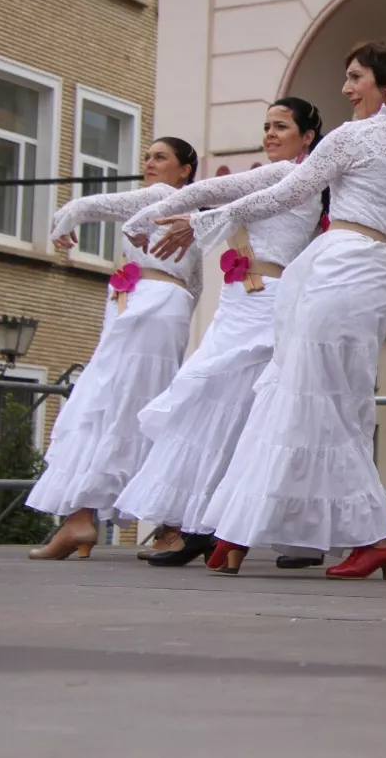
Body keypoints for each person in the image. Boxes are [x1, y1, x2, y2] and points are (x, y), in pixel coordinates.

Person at [151, 41, 386, 580]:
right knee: (321, 394)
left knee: (312, 394)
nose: (345, 88)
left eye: (355, 77)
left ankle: (374, 535)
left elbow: (286, 194)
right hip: (379, 273)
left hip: (338, 269)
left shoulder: (352, 136)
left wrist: (200, 222)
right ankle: (239, 529)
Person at [113, 99, 328, 567]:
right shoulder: (277, 177)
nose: (270, 133)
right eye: (266, 126)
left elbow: (217, 189)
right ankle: (209, 524)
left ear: (307, 136)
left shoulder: (290, 175)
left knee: (229, 404)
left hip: (266, 300)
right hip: (239, 301)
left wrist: (143, 219)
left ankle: (206, 528)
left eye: (281, 126)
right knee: (225, 404)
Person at [24, 138, 202, 560]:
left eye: (161, 157)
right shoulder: (190, 215)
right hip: (160, 308)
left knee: (108, 402)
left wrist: (64, 220)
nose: (149, 164)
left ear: (185, 170)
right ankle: (139, 521)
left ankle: (83, 519)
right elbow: (195, 283)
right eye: (147, 156)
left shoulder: (162, 197)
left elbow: (93, 205)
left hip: (147, 305)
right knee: (136, 407)